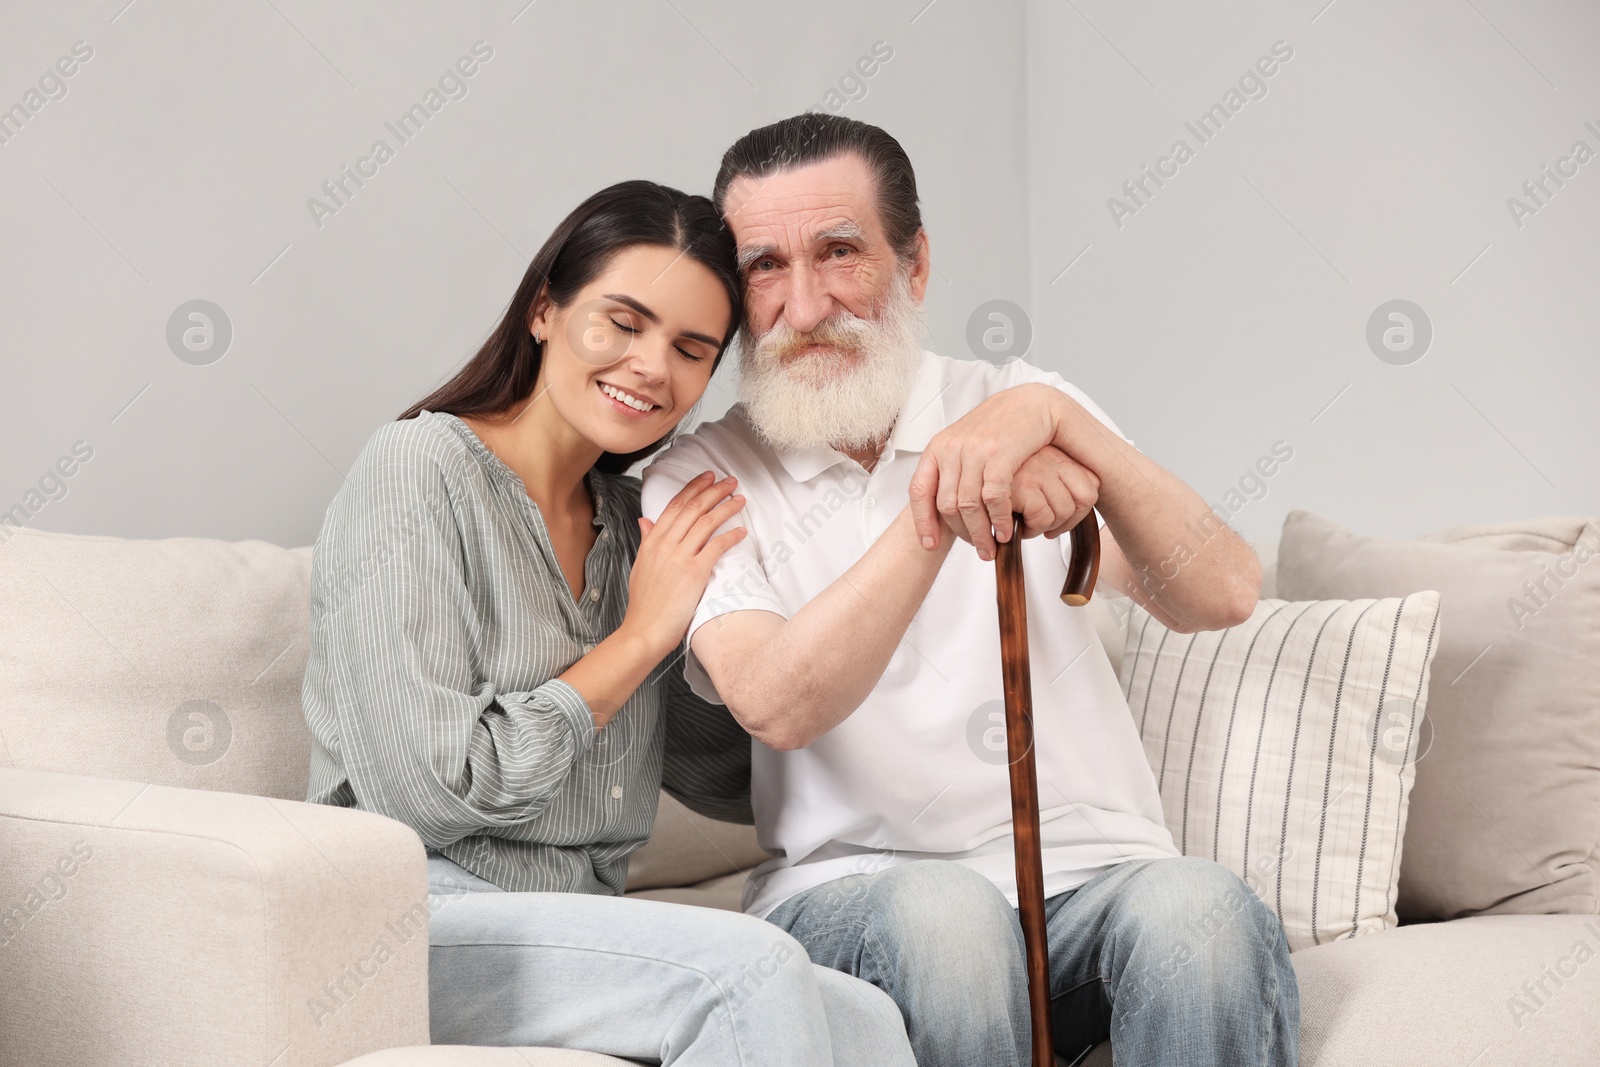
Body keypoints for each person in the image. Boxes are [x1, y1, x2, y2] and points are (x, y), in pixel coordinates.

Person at [639, 115, 1301, 1066]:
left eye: (839, 253)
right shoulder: (703, 475)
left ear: (913, 266)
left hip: (1091, 883)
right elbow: (776, 702)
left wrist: (1053, 415)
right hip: (858, 899)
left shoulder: (1014, 399)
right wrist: (947, 498)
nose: (806, 303)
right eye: (765, 267)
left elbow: (1223, 591)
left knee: (1201, 908)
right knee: (947, 920)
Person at [301, 179, 915, 1066]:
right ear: (545, 309)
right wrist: (638, 638)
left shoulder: (635, 525)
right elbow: (427, 790)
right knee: (748, 976)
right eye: (622, 323)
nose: (652, 368)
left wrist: (814, 613)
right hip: (410, 925)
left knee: (866, 1018)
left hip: (582, 920)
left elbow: (728, 776)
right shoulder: (418, 470)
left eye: (692, 349)